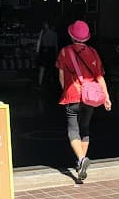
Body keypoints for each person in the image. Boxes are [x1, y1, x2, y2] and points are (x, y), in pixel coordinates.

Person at [57, 20, 112, 180]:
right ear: (86, 37)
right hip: (90, 97)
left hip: (72, 95)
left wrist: (65, 91)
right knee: (85, 129)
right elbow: (99, 77)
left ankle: (81, 160)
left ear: (71, 35)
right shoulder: (93, 52)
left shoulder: (65, 52)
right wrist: (106, 96)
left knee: (72, 129)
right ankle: (80, 163)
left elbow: (61, 76)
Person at [35, 21, 58, 89]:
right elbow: (56, 44)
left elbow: (39, 42)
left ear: (47, 25)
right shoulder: (54, 33)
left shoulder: (43, 32)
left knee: (42, 68)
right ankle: (51, 83)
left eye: (45, 24)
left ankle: (40, 83)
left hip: (44, 50)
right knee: (51, 68)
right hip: (51, 50)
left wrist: (37, 51)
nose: (44, 25)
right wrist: (56, 54)